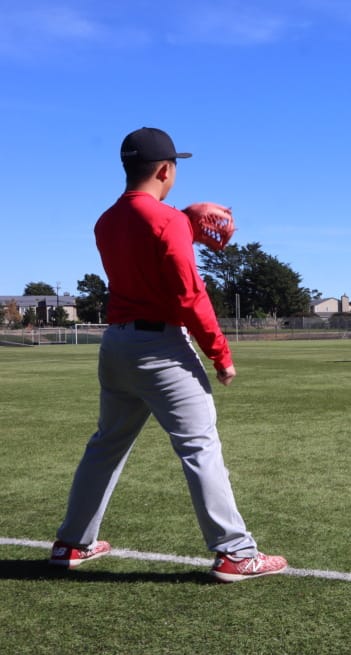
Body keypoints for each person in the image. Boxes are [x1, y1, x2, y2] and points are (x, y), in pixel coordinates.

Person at [49, 127, 287, 583]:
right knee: (200, 446)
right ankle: (236, 553)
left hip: (116, 345)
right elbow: (188, 293)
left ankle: (71, 543)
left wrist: (184, 223)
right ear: (165, 170)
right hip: (160, 348)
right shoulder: (168, 221)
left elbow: (146, 247)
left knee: (106, 445)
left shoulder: (105, 220)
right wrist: (220, 354)